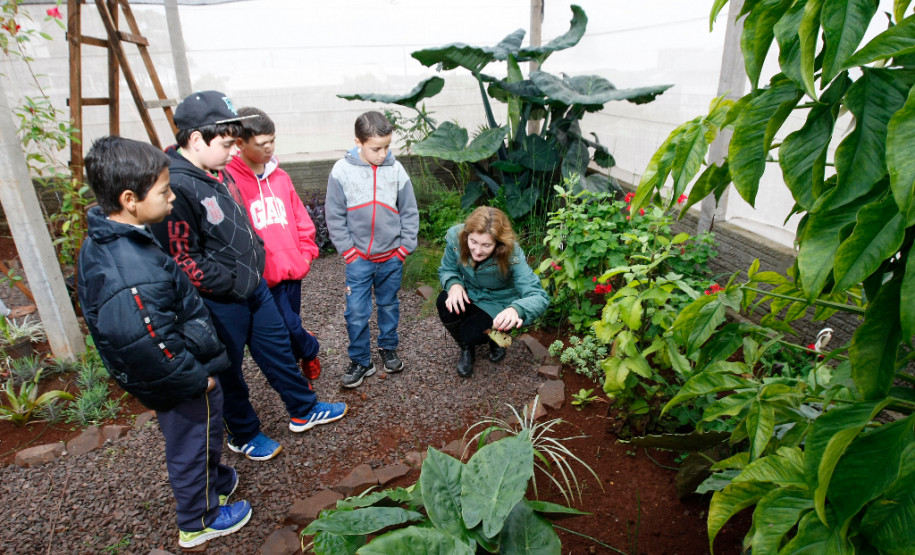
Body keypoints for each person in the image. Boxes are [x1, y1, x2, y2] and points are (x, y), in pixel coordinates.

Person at [150, 91, 347, 462]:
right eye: (225, 144)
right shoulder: (176, 187)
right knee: (229, 372)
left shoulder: (217, 172)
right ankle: (243, 433)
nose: (231, 151)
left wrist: (255, 260)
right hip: (218, 300)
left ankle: (303, 408)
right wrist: (231, 285)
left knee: (277, 350)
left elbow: (241, 223)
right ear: (196, 139)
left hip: (255, 288)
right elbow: (182, 257)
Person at [77, 136, 251, 549]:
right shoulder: (130, 269)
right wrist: (195, 379)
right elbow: (147, 341)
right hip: (181, 378)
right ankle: (199, 519)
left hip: (179, 370)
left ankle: (216, 482)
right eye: (164, 191)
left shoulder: (117, 237)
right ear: (129, 198)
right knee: (191, 443)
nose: (172, 199)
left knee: (202, 434)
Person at [226, 107, 322, 381]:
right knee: (286, 326)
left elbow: (300, 217)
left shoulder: (281, 177)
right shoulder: (230, 181)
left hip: (292, 269)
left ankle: (299, 359)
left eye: (272, 141)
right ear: (240, 143)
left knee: (290, 324)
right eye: (261, 143)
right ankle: (311, 348)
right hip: (261, 276)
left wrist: (306, 254)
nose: (269, 148)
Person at [325, 111, 419, 388]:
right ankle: (360, 361)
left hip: (391, 257)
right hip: (360, 260)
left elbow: (410, 211)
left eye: (387, 147)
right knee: (356, 312)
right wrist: (349, 252)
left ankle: (388, 348)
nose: (383, 154)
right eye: (376, 148)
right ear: (358, 142)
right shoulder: (341, 171)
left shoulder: (396, 169)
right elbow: (334, 215)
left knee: (389, 305)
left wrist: (404, 249)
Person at [437, 206, 550, 378]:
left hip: (498, 301)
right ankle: (466, 349)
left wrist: (516, 310)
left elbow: (539, 296)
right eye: (473, 242)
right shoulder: (456, 237)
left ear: (498, 244)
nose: (477, 250)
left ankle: (499, 340)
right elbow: (447, 269)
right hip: (470, 291)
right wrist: (454, 284)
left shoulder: (512, 253)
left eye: (486, 245)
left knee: (474, 333)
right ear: (467, 235)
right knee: (444, 302)